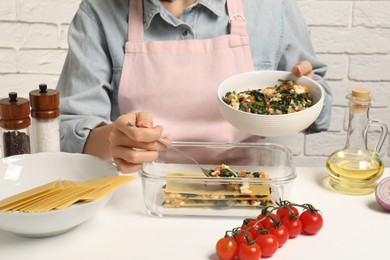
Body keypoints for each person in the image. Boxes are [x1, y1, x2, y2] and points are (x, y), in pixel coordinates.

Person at [57, 0, 333, 173]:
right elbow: (70, 131)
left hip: (247, 184)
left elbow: (321, 111)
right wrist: (112, 139)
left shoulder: (270, 7)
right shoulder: (98, 11)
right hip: (138, 189)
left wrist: (302, 97)